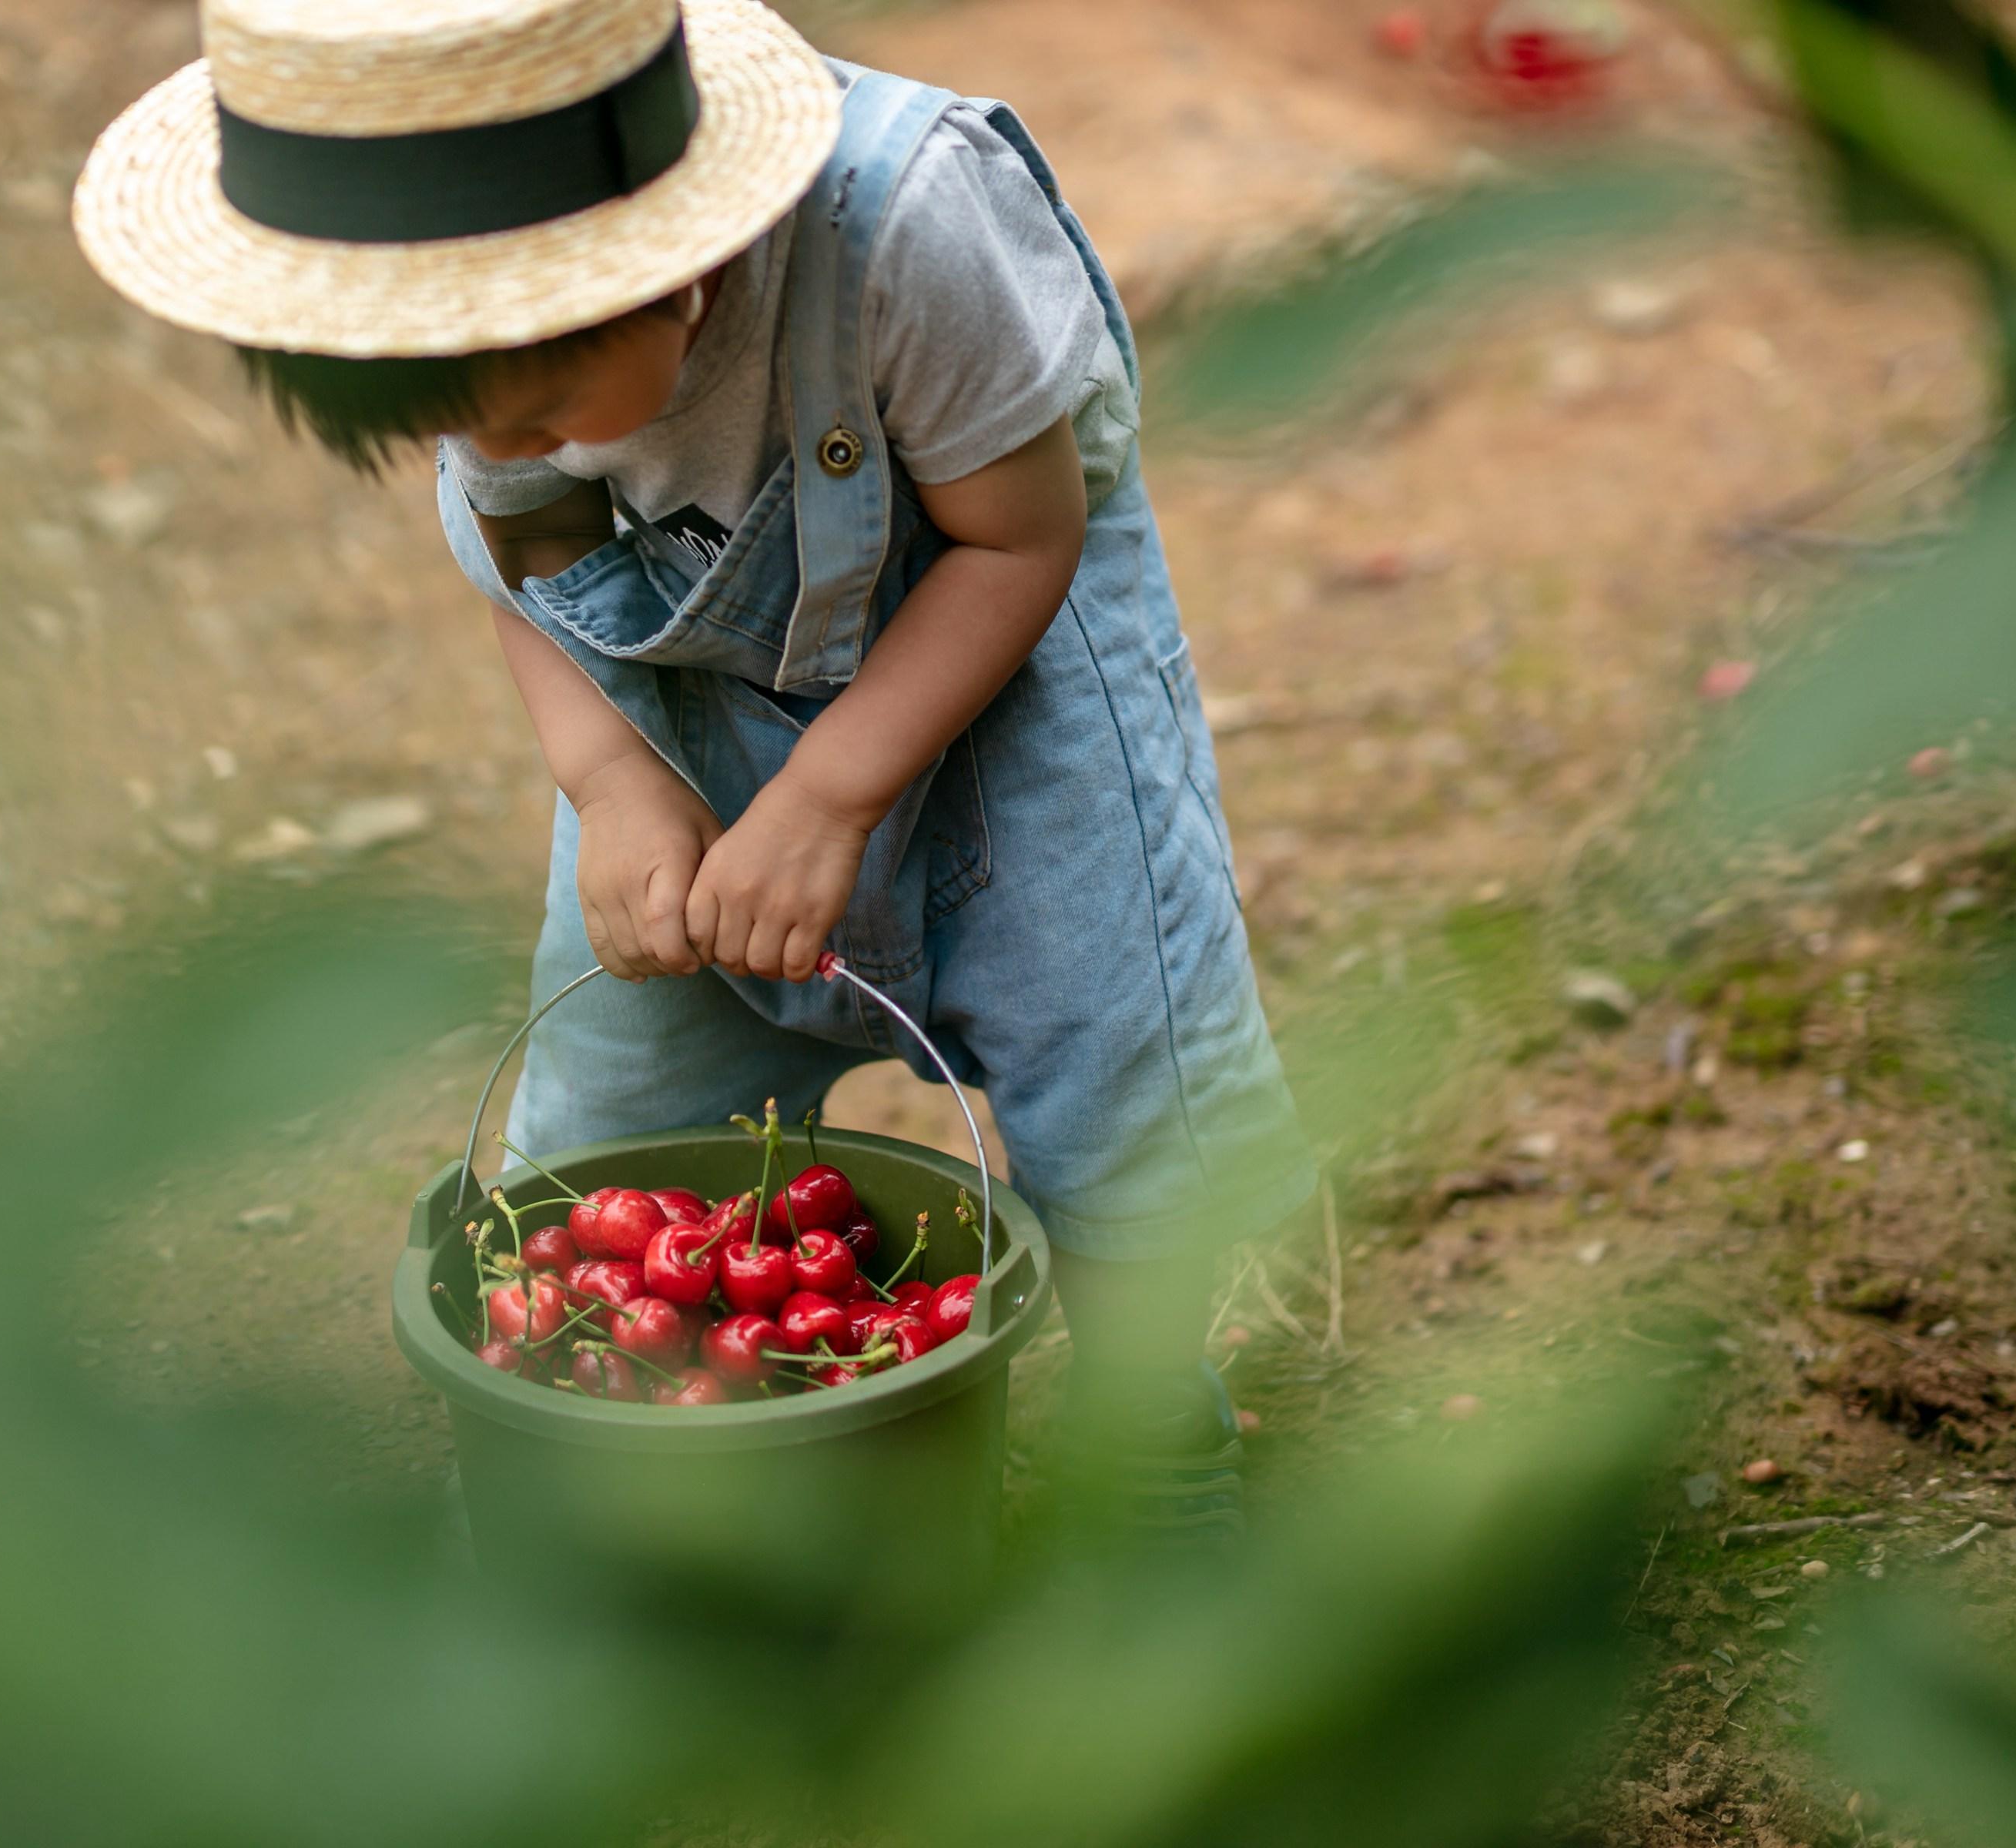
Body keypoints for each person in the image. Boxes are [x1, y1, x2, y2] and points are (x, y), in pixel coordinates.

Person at [74, 0, 1312, 1535]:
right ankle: (636, 1463)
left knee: (1112, 1087)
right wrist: (609, 776)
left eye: (528, 410)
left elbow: (1023, 537)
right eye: (454, 422)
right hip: (685, 707)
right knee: (613, 1107)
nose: (500, 441)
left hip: (1011, 694)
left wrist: (835, 795)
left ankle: (1155, 1449)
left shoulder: (907, 224)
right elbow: (528, 563)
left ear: (671, 256)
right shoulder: (480, 355)